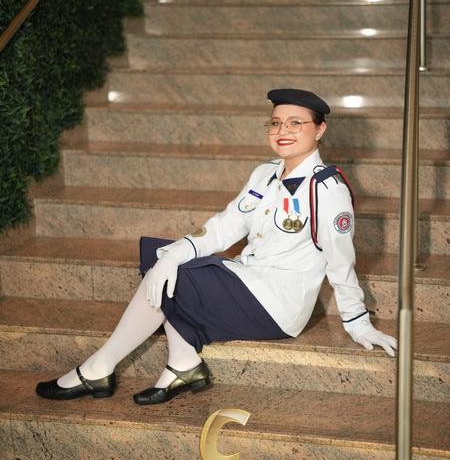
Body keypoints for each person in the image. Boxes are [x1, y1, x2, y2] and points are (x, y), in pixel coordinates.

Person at [35, 88, 397, 406]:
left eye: (295, 123)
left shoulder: (327, 190)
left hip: (277, 304)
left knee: (176, 274)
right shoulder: (264, 173)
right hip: (249, 279)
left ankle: (99, 368)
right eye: (275, 123)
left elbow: (340, 261)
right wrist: (175, 253)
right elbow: (226, 225)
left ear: (319, 130)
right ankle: (182, 363)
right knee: (165, 258)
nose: (282, 131)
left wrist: (357, 322)